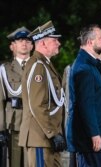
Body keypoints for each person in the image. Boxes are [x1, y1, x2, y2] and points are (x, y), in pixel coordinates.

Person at [18, 20, 66, 166]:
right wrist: (52, 133)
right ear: (43, 43)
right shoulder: (38, 66)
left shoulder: (45, 64)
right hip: (40, 137)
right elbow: (37, 104)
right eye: (55, 40)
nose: (59, 43)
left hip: (47, 137)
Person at [67, 24, 101, 167]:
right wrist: (94, 133)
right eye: (100, 37)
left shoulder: (90, 64)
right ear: (90, 42)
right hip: (90, 139)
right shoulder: (84, 67)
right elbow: (86, 104)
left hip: (93, 137)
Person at [0, 26, 33, 167]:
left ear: (32, 45)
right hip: (15, 123)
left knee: (33, 162)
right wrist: (1, 129)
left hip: (35, 123)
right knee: (15, 162)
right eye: (20, 40)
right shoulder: (5, 70)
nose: (24, 43)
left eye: (27, 40)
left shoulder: (39, 67)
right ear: (12, 46)